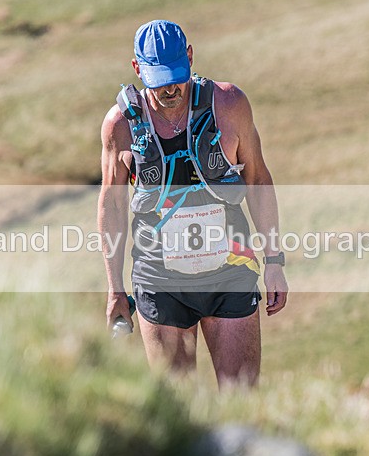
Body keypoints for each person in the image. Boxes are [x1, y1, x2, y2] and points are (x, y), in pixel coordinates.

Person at [98, 20, 287, 388]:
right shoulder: (120, 124)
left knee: (241, 398)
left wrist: (275, 262)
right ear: (137, 70)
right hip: (159, 281)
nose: (170, 88)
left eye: (176, 75)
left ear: (190, 56)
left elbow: (258, 181)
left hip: (231, 273)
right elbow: (112, 206)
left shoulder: (229, 104)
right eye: (158, 79)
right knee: (178, 411)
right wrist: (115, 288)